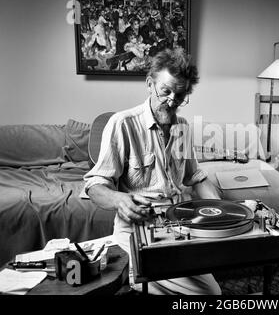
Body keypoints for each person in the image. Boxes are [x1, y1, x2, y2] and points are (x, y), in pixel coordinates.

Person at [83, 48, 222, 295]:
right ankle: (133, 272)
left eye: (179, 95)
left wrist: (222, 209)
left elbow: (195, 177)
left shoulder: (183, 127)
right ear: (150, 84)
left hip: (178, 228)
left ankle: (135, 278)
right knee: (209, 294)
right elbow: (95, 185)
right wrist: (119, 199)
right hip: (136, 233)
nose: (171, 101)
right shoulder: (122, 123)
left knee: (211, 281)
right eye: (165, 91)